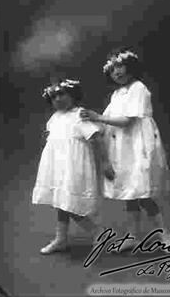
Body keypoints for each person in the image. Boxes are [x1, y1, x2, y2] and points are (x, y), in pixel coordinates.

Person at [80, 47, 170, 247]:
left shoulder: (138, 88)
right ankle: (133, 236)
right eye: (112, 70)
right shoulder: (117, 94)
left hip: (138, 145)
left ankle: (165, 234)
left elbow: (126, 122)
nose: (117, 72)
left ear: (130, 67)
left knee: (143, 193)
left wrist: (98, 116)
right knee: (129, 193)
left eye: (120, 66)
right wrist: (88, 121)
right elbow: (105, 122)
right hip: (122, 147)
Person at [32, 78, 114, 254]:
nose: (58, 99)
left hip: (74, 168)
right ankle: (61, 239)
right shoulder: (55, 118)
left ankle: (99, 233)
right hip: (57, 167)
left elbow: (96, 138)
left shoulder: (80, 115)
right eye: (54, 97)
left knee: (71, 204)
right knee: (60, 203)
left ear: (73, 95)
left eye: (62, 94)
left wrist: (105, 163)